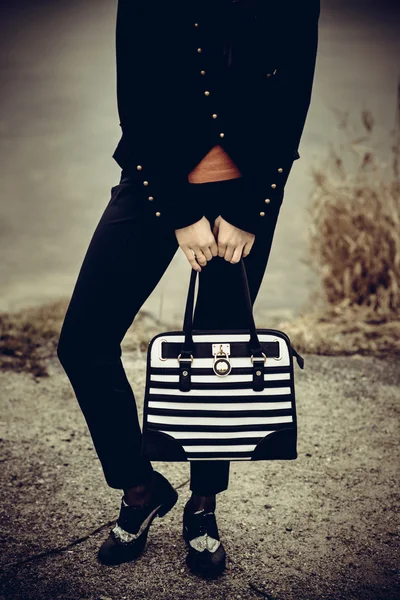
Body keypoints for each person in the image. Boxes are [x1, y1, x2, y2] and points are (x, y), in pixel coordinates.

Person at [57, 0, 320, 578]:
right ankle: (140, 489)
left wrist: (251, 211)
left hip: (248, 200)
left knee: (218, 354)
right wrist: (178, 212)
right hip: (156, 184)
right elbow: (137, 91)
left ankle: (203, 508)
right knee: (82, 341)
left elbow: (292, 91)